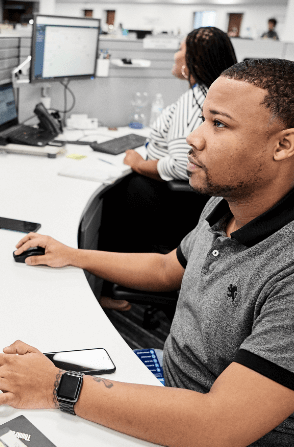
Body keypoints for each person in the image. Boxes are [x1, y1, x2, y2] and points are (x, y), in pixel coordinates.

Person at [0, 59, 294, 447]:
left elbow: (219, 427)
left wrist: (55, 386)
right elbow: (167, 268)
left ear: (284, 144)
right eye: (203, 118)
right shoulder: (227, 205)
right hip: (170, 380)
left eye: (219, 124)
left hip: (218, 432)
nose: (193, 138)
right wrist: (74, 255)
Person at [98, 26, 237, 311]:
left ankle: (108, 288)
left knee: (110, 197)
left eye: (179, 49)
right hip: (198, 204)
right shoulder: (219, 97)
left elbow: (177, 166)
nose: (174, 56)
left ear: (192, 63)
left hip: (173, 200)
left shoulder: (194, 100)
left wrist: (138, 163)